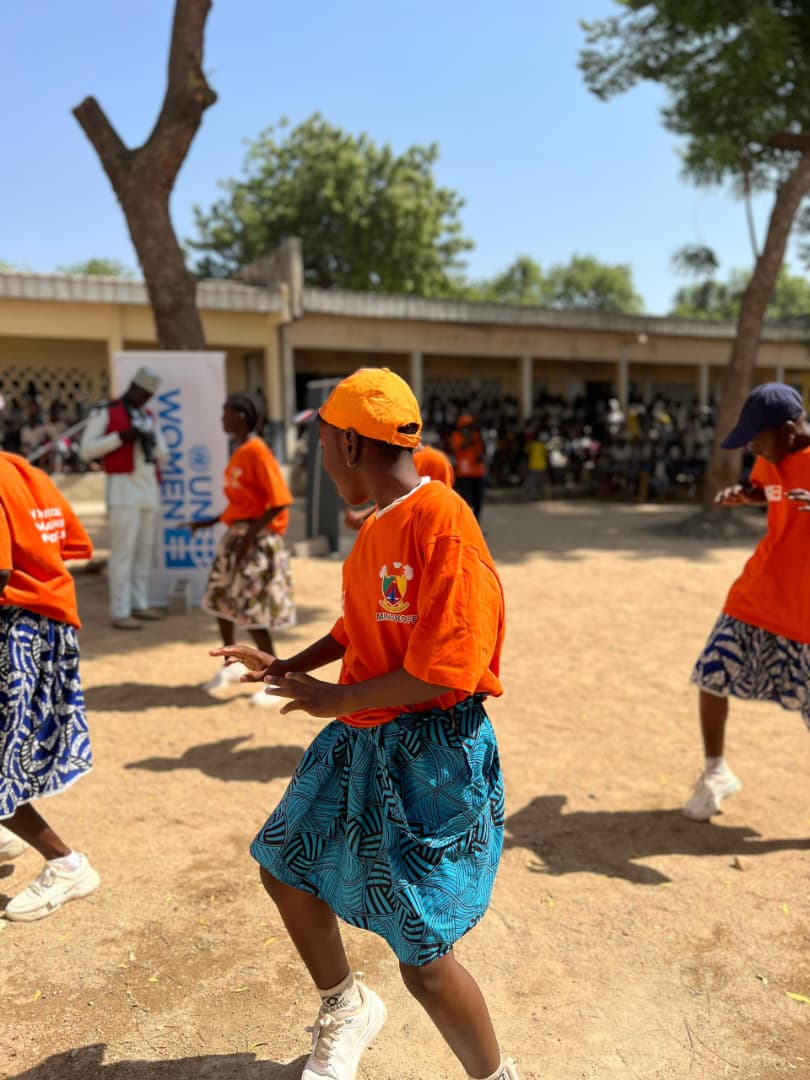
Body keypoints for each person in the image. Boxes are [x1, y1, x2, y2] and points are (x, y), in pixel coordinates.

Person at [210, 367, 518, 1080]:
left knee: (425, 960)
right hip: (361, 739)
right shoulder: (381, 525)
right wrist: (287, 663)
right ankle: (346, 1005)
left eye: (321, 444)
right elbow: (358, 627)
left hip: (431, 755)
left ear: (350, 443)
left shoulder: (443, 522)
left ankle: (497, 1077)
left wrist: (333, 700)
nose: (318, 461)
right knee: (284, 866)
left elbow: (448, 669)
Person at [685, 382, 810, 821]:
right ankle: (716, 772)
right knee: (710, 674)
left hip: (805, 611)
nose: (755, 446)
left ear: (792, 428)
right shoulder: (770, 459)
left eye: (760, 437)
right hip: (755, 595)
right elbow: (768, 491)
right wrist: (746, 495)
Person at [0, 452, 100, 921]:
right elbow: (71, 544)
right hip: (45, 624)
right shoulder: (24, 470)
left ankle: (65, 863)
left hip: (14, 628)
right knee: (8, 748)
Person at [196, 393, 295, 707]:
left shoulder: (257, 451)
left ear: (240, 415)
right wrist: (210, 521)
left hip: (255, 540)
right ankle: (231, 664)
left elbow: (279, 500)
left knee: (254, 612)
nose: (222, 418)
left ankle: (275, 679)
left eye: (225, 412)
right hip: (238, 536)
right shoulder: (241, 451)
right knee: (222, 601)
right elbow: (243, 502)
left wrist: (249, 539)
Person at [79, 366, 167, 630]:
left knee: (143, 551)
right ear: (133, 388)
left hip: (148, 487)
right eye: (141, 393)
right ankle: (120, 610)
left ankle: (138, 603)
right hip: (123, 489)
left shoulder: (149, 416)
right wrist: (120, 437)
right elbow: (86, 450)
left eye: (148, 395)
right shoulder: (108, 412)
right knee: (123, 553)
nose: (144, 399)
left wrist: (149, 441)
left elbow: (165, 453)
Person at [343, 439, 454, 530]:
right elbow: (396, 500)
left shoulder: (435, 461)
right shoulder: (402, 461)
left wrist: (363, 516)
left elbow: (440, 506)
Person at [450, 414, 487, 520]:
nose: (468, 429)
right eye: (466, 427)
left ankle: (476, 525)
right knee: (466, 501)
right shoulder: (456, 436)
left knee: (478, 501)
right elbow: (458, 448)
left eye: (470, 427)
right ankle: (466, 524)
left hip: (478, 473)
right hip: (464, 474)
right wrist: (469, 438)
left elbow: (482, 451)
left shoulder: (477, 435)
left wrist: (480, 436)